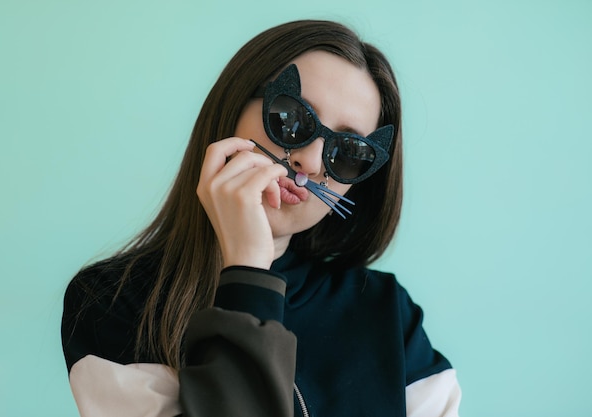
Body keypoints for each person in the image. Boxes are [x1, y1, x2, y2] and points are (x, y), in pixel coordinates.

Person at [61, 19, 462, 417]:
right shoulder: (111, 302)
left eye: (348, 152)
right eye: (292, 119)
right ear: (233, 107)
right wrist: (249, 270)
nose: (309, 162)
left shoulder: (388, 314)